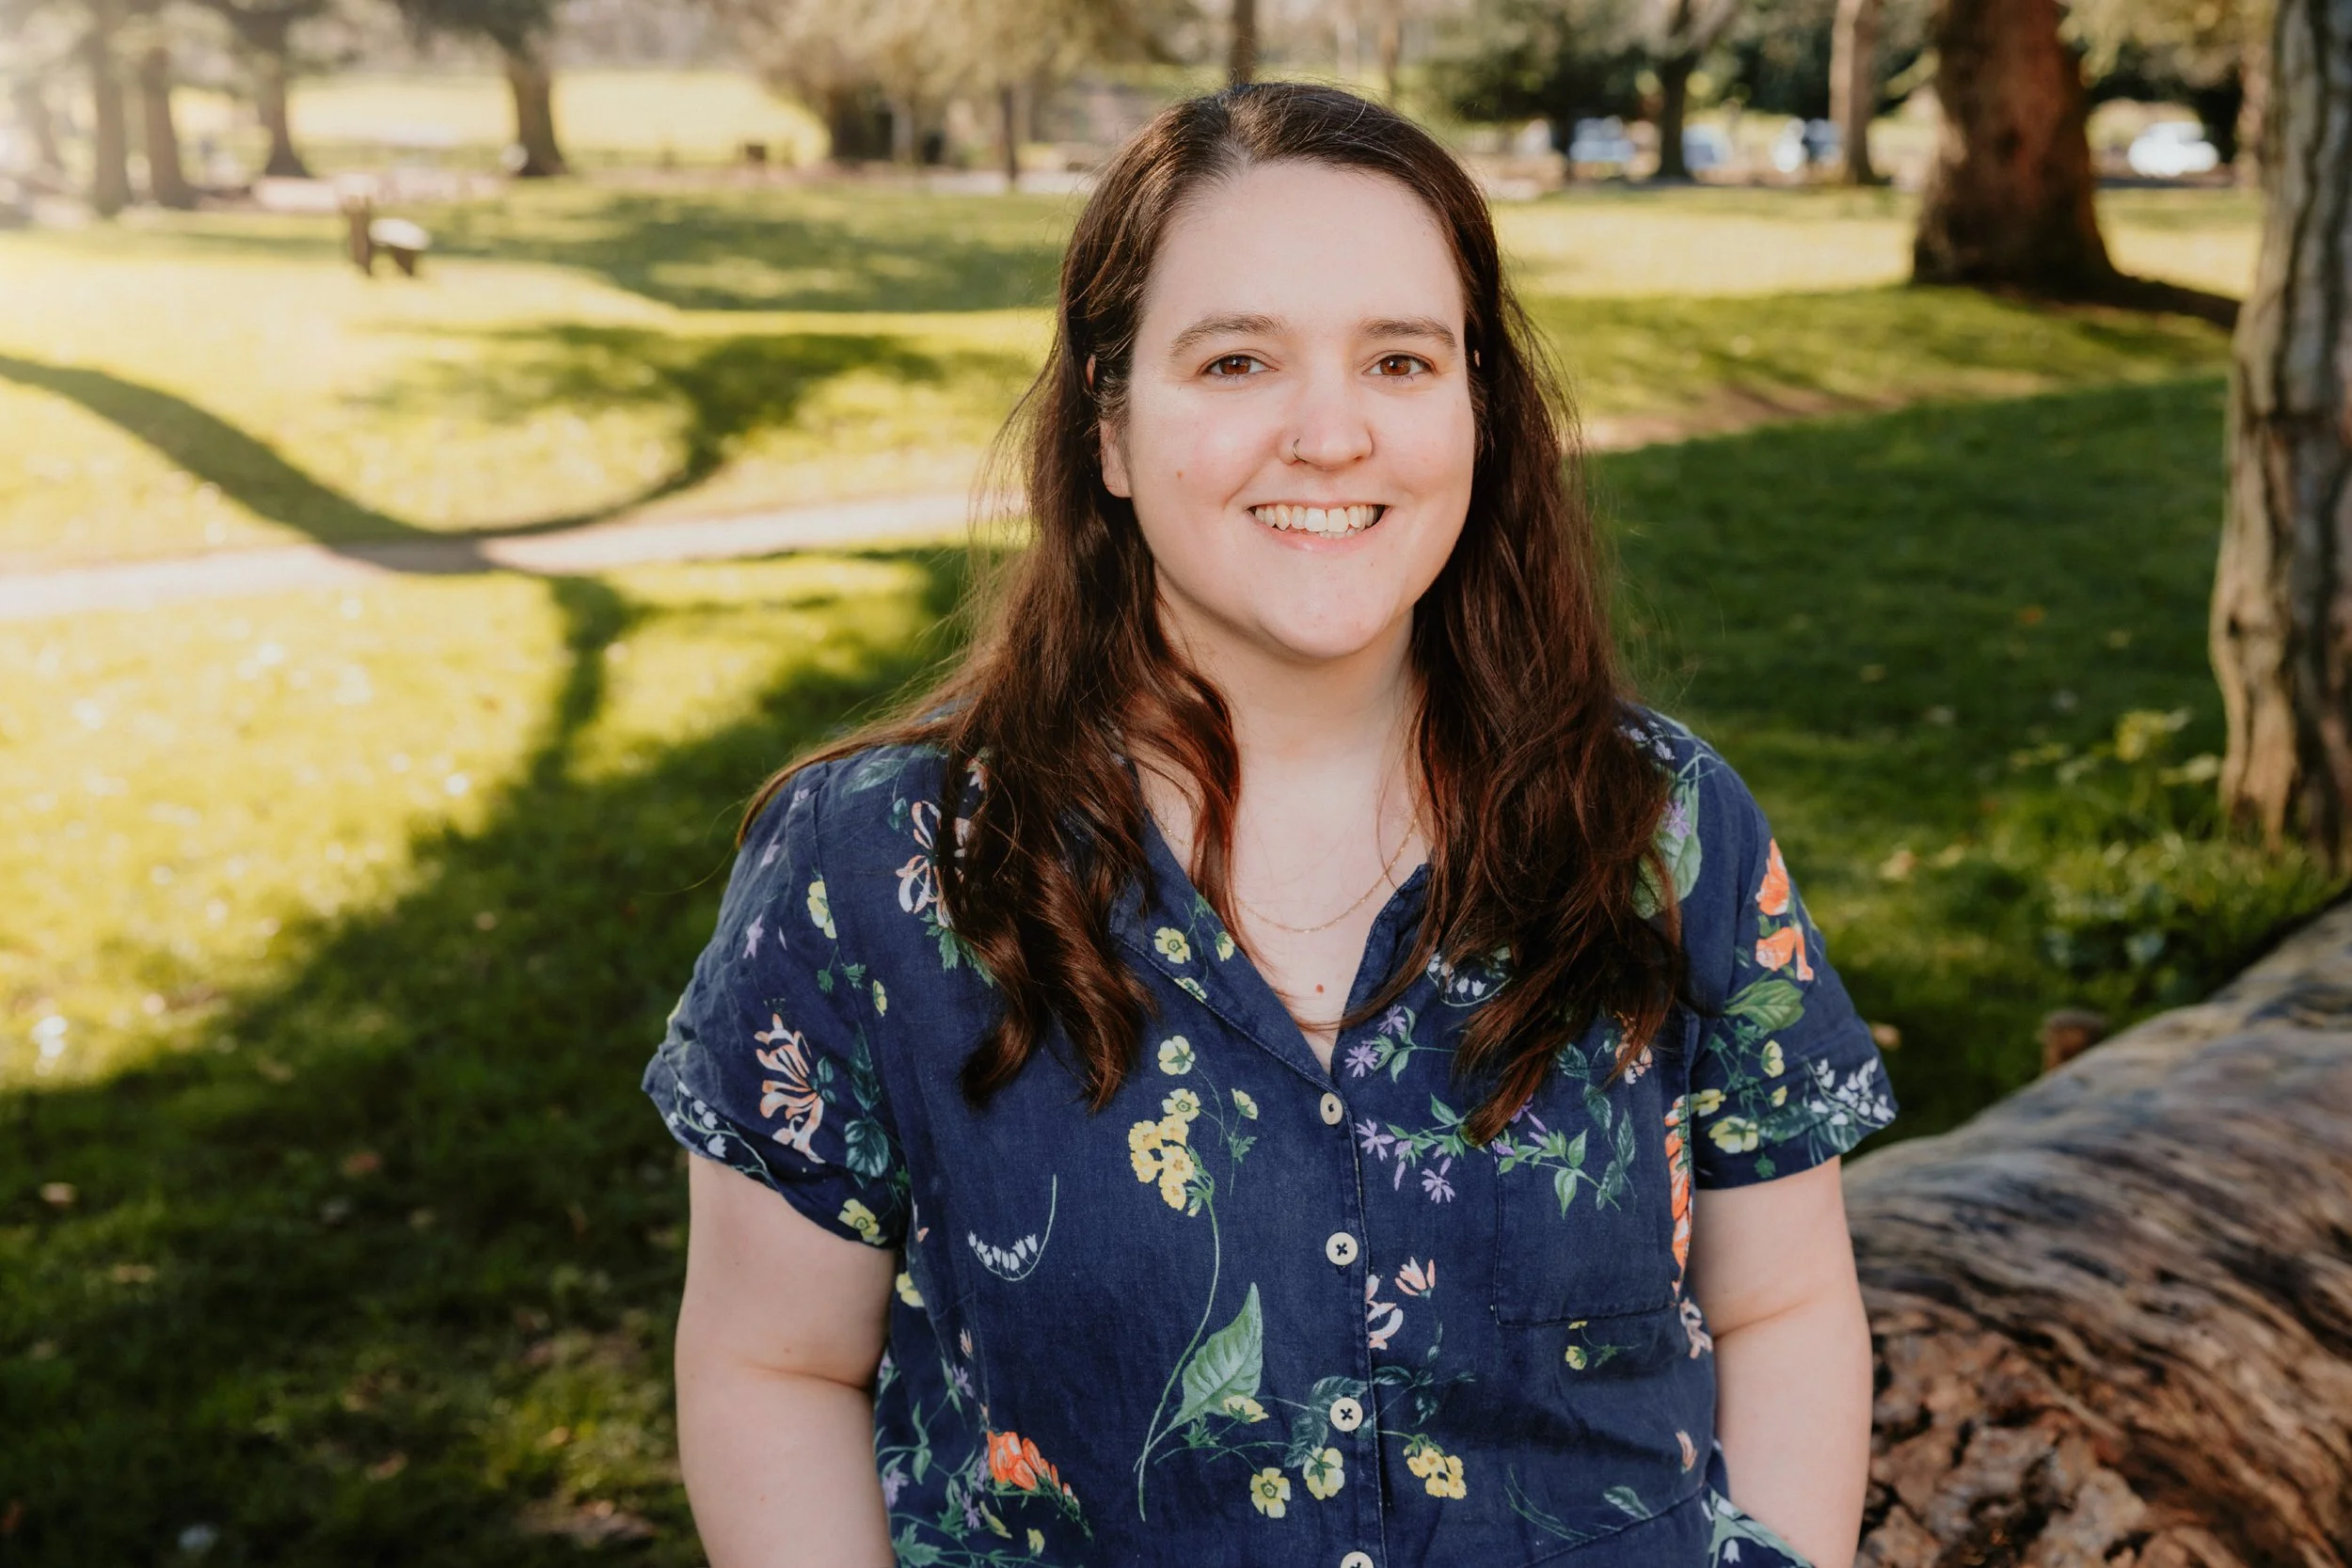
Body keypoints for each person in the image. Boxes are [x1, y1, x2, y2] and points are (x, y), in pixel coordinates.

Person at [644, 83, 1898, 1568]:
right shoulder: (876, 871)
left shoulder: (1662, 827)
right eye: (1237, 359)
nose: (1329, 431)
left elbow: (1783, 1304)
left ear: (1479, 413)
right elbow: (773, 1364)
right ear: (1107, 427)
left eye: (1400, 359)